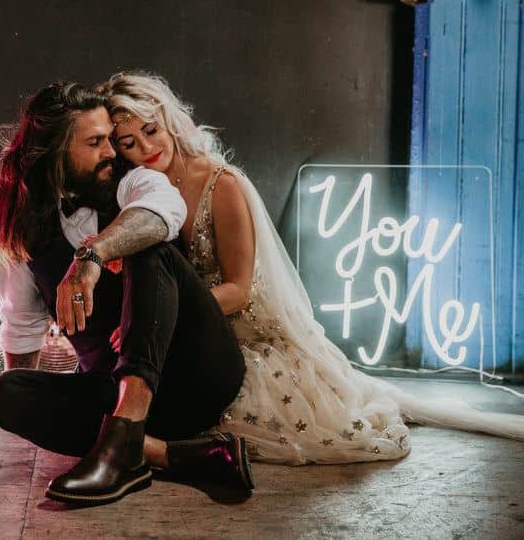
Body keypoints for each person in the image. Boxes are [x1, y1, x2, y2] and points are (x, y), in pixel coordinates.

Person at [99, 71, 524, 464]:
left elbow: (240, 289)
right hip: (194, 333)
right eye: (128, 142)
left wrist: (159, 322)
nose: (146, 148)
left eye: (150, 130)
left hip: (243, 333)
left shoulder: (221, 184)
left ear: (168, 120)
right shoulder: (140, 189)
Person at [0, 81, 254, 504]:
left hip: (196, 375)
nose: (111, 152)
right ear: (57, 151)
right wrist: (28, 391)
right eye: (96, 142)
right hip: (109, 387)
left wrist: (92, 256)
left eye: (109, 140)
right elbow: (22, 325)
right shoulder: (21, 229)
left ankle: (124, 442)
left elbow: (163, 213)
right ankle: (164, 454)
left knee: (147, 244)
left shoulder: (133, 182)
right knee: (7, 392)